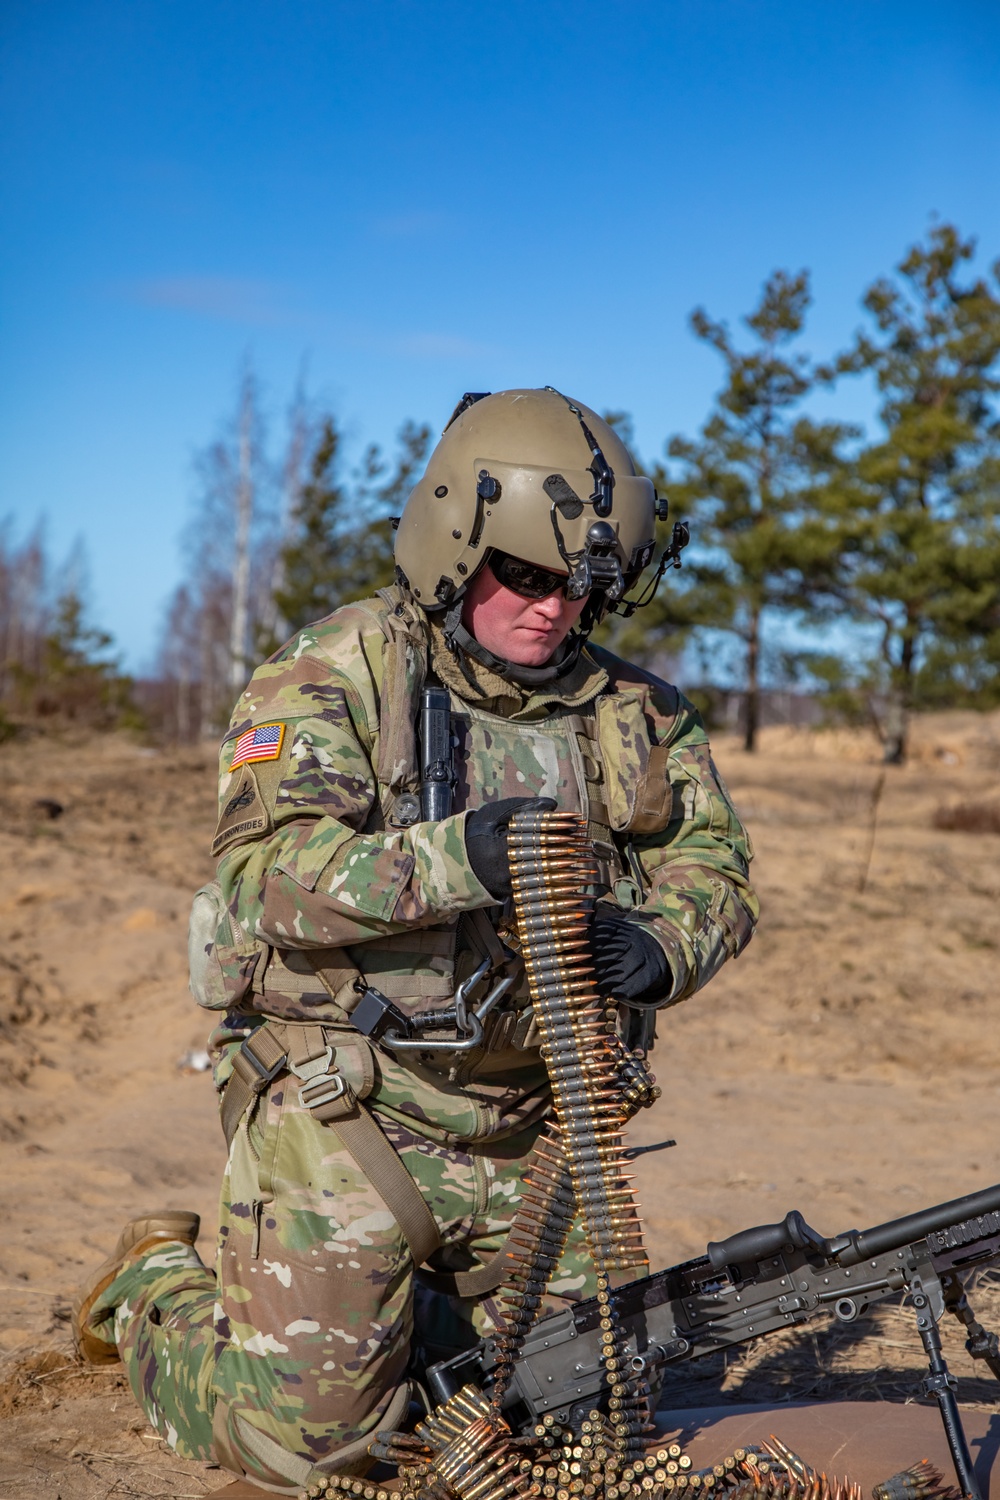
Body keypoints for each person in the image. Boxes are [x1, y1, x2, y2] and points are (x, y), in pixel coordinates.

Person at [73, 388, 758, 1494]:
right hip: (356, 1109)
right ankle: (152, 1285)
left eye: (583, 587)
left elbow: (715, 866)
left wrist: (666, 944)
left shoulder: (638, 712)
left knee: (585, 1434)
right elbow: (261, 882)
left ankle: (424, 1308)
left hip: (548, 1127)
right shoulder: (334, 674)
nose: (553, 611)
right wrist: (455, 860)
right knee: (312, 1452)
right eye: (526, 577)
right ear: (454, 547)